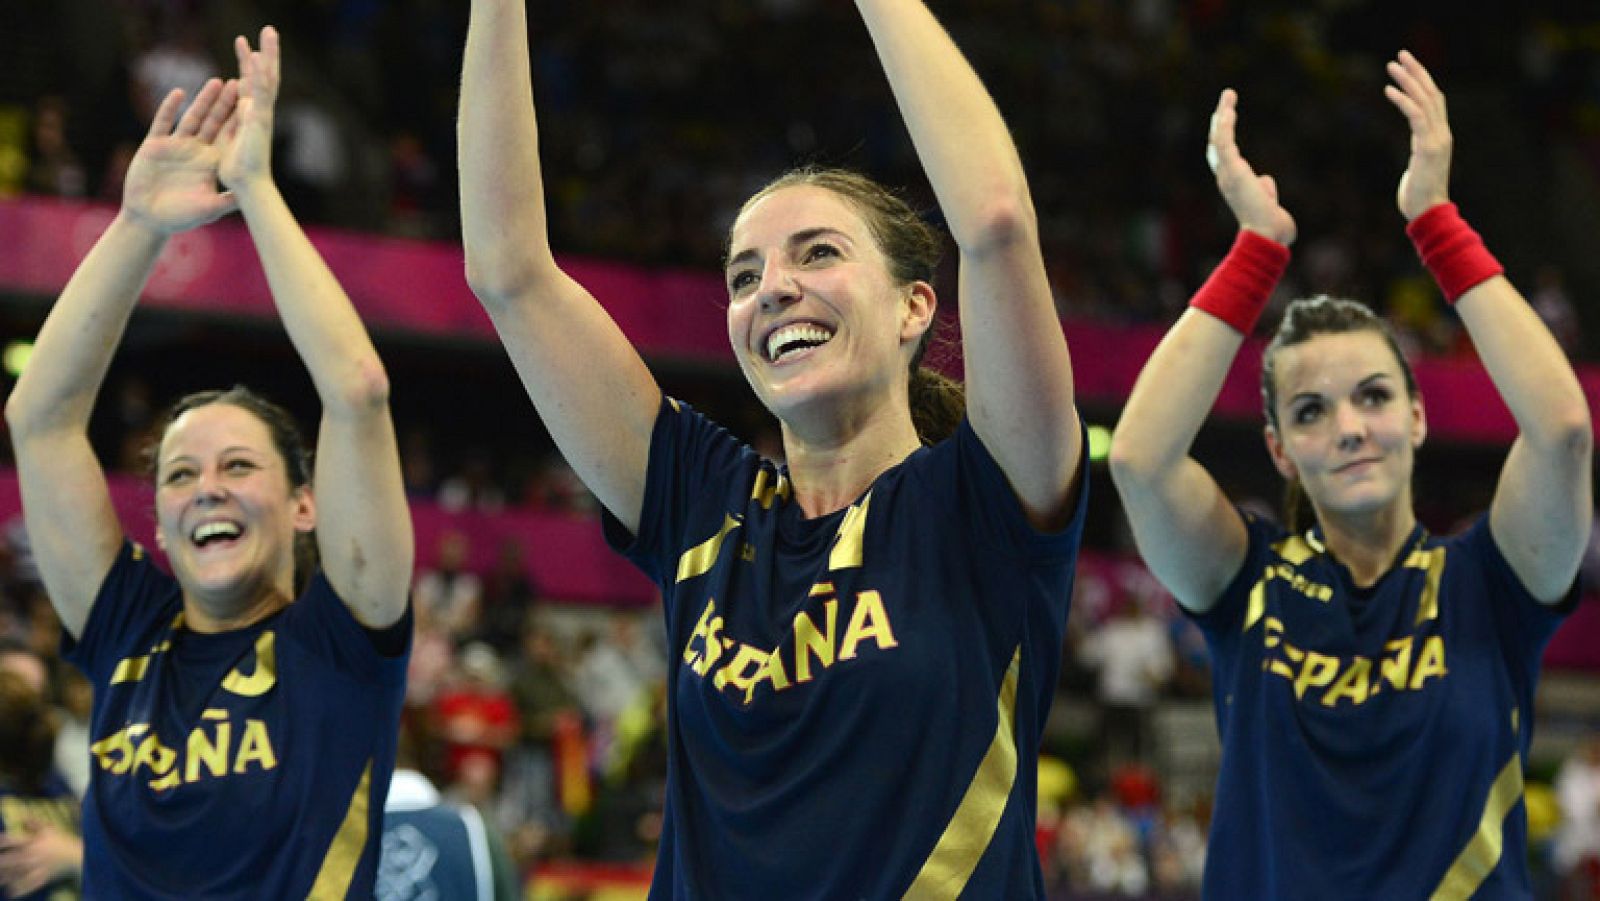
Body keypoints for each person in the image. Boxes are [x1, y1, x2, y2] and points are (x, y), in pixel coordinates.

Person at [459, 0, 1087, 894]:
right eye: (744, 275)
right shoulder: (701, 502)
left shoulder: (986, 504)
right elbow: (508, 272)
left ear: (916, 306)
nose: (774, 290)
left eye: (817, 253)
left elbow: (991, 217)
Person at [1109, 51, 1591, 899]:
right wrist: (1257, 251)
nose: (1349, 427)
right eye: (1311, 411)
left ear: (1416, 416)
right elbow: (1140, 460)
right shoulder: (1246, 584)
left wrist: (1435, 221)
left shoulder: (1492, 583)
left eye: (1373, 396)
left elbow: (1560, 432)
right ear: (1280, 451)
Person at [4, 27, 414, 898]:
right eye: (180, 476)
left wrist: (256, 190)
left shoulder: (343, 642)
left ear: (307, 504)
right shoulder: (125, 631)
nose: (206, 489)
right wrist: (137, 224)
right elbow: (39, 420)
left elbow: (358, 388)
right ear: (157, 521)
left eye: (237, 465)